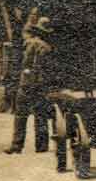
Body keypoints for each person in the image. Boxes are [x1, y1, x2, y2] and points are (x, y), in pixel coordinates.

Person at [5, 15, 58, 154]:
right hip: (41, 84)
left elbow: (26, 63)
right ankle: (41, 146)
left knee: (20, 115)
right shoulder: (48, 47)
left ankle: (17, 145)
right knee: (41, 115)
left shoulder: (32, 44)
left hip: (27, 83)